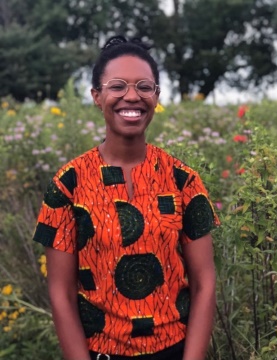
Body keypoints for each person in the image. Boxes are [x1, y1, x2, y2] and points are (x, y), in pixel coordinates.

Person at [33, 35, 220, 360]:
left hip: (176, 350)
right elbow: (60, 294)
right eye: (117, 86)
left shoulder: (183, 180)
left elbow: (204, 282)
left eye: (144, 87)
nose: (131, 96)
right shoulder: (68, 184)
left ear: (157, 96)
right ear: (96, 95)